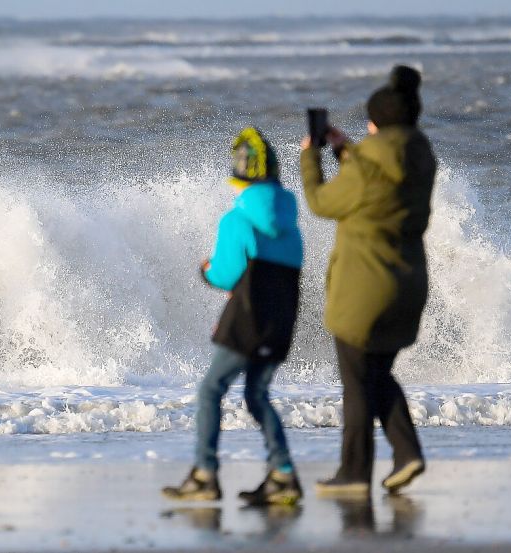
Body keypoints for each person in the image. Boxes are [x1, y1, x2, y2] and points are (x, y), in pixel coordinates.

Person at [300, 65, 436, 496]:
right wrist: (348, 152)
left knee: (357, 382)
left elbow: (322, 202)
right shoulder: (419, 155)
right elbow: (377, 183)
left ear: (377, 122)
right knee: (376, 374)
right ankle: (407, 453)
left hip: (364, 290)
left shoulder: (368, 164)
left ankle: (354, 473)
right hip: (407, 285)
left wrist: (311, 157)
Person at [162, 127, 304, 506]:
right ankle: (283, 475)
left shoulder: (236, 219)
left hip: (248, 317)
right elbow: (277, 276)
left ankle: (205, 474)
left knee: (210, 390)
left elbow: (225, 274)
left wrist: (205, 270)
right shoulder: (291, 223)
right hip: (281, 319)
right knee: (257, 395)